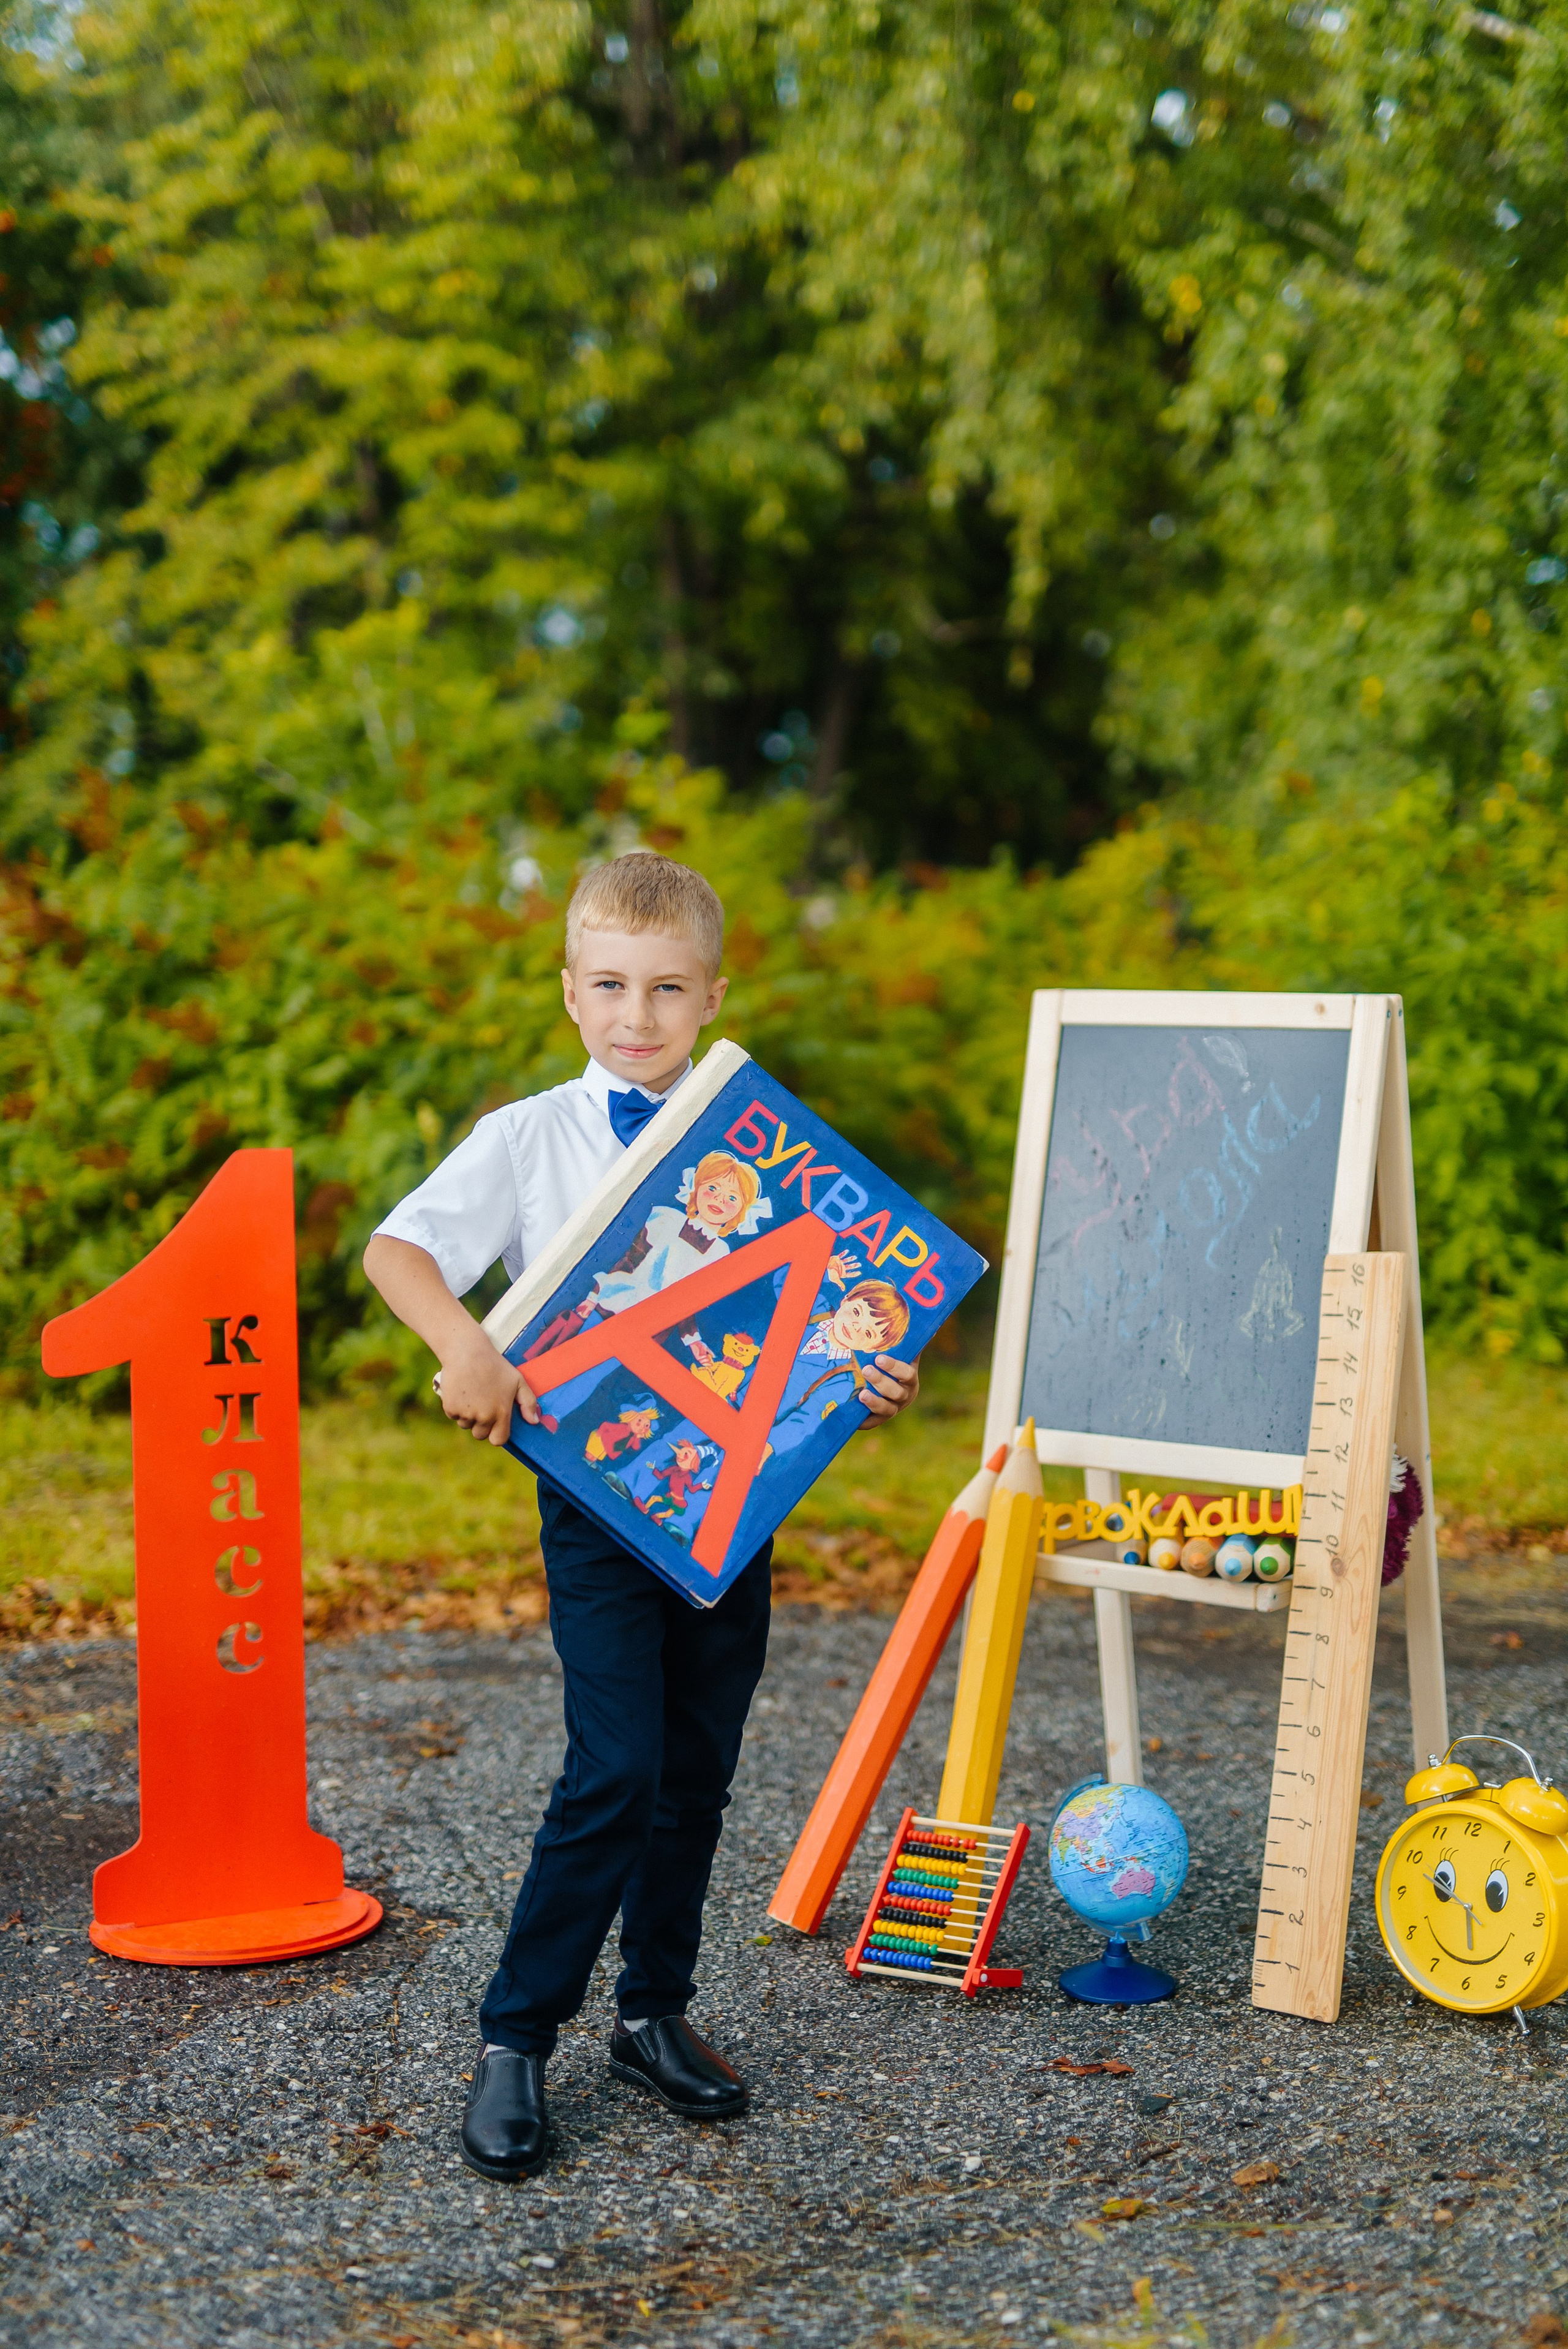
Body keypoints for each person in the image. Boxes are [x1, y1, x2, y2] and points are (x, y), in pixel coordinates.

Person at [361, 851, 922, 2182]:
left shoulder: (761, 1150)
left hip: (732, 1505)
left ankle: (651, 2010)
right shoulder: (528, 1137)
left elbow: (813, 1318)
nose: (637, 1014)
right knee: (613, 1768)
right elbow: (398, 1250)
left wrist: (863, 1367)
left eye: (666, 989)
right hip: (596, 1504)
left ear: (712, 997)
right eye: (610, 985)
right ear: (569, 992)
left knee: (698, 1769)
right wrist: (465, 1346)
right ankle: (515, 2036)